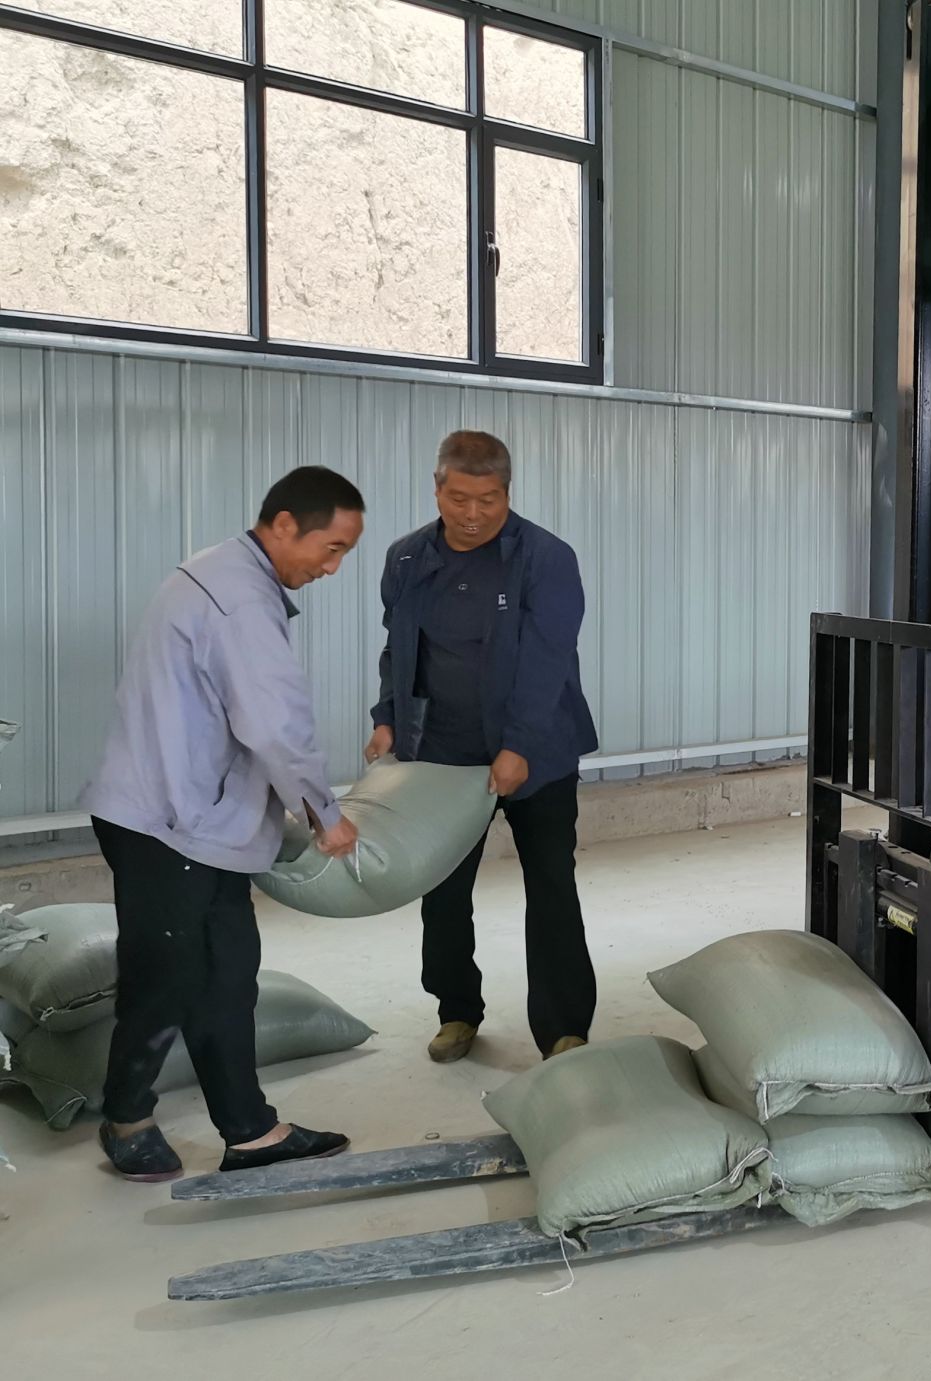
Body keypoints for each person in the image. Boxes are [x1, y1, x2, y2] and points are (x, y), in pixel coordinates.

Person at [81, 467, 364, 1181]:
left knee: (229, 975)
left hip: (197, 818)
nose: (331, 568)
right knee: (167, 977)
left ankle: (251, 1131)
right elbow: (274, 722)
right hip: (167, 821)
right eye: (331, 548)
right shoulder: (240, 599)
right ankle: (126, 1119)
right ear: (284, 525)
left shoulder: (224, 573)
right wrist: (325, 813)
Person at [365, 430, 598, 1063]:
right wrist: (388, 719)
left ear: (507, 492)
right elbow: (399, 649)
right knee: (442, 890)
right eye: (459, 499)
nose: (472, 514)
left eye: (488, 500)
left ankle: (564, 1028)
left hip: (537, 755)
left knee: (551, 885)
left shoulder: (545, 558)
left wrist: (519, 745)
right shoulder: (407, 558)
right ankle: (457, 1011)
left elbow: (548, 661)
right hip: (443, 754)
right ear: (437, 488)